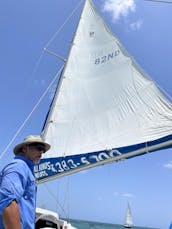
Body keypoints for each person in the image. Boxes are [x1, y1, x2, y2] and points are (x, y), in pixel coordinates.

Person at [0, 135, 51, 229]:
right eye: (39, 148)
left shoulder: (26, 170)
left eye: (43, 150)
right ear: (24, 149)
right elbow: (7, 202)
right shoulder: (18, 166)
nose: (41, 152)